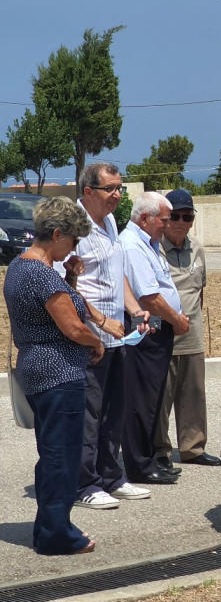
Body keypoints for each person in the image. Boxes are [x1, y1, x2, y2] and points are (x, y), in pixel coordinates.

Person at [5, 197, 106, 554]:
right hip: (58, 374)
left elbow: (55, 307)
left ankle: (51, 524)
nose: (73, 247)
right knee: (61, 457)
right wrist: (96, 342)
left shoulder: (20, 266)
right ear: (57, 233)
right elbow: (72, 327)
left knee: (51, 452)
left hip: (36, 368)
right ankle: (55, 534)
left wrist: (72, 276)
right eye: (73, 240)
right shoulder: (41, 275)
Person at [62, 163, 151, 510]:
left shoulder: (112, 222)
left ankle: (112, 477)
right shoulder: (73, 228)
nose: (117, 195)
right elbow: (65, 288)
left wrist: (134, 309)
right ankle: (85, 483)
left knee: (115, 412)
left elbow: (117, 276)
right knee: (89, 414)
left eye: (120, 188)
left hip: (117, 336)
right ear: (88, 192)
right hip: (89, 338)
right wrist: (98, 322)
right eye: (110, 189)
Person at [120, 192, 191, 486]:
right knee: (141, 400)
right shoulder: (133, 245)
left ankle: (148, 460)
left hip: (159, 328)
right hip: (147, 328)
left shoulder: (146, 243)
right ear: (146, 218)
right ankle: (139, 465)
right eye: (165, 219)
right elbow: (148, 296)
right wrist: (177, 320)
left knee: (152, 399)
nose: (169, 224)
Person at [154, 189, 219, 468]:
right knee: (160, 396)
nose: (181, 222)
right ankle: (159, 450)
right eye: (176, 216)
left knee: (193, 393)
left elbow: (199, 290)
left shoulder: (198, 248)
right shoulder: (153, 249)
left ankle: (193, 447)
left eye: (187, 216)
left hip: (191, 333)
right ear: (165, 219)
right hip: (161, 334)